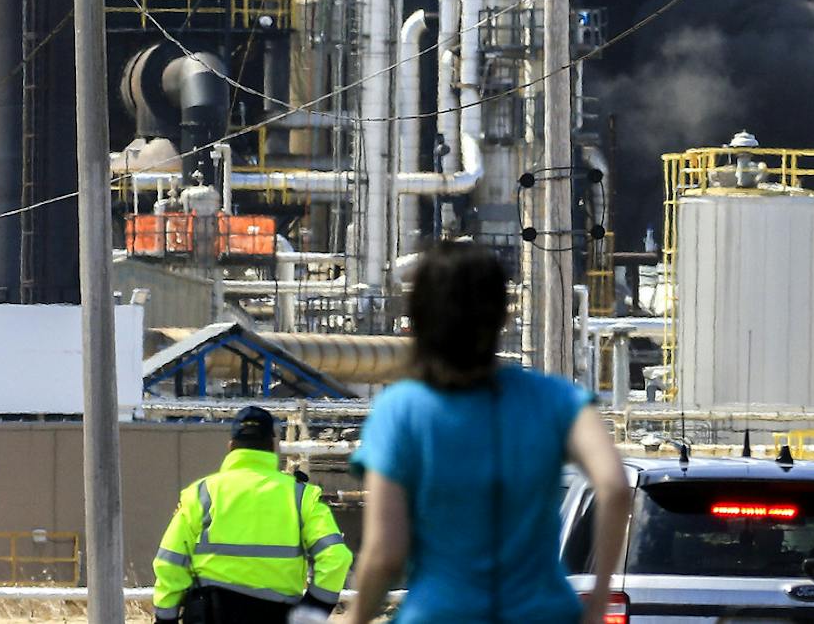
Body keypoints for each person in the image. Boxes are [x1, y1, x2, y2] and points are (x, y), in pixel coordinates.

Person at [337, 244, 632, 624]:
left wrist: (356, 618)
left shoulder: (400, 410)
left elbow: (386, 554)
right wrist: (597, 604)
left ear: (419, 318)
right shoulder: (556, 400)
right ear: (503, 317)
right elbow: (615, 486)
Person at [154, 405, 354, 623]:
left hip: (211, 615)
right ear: (272, 446)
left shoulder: (202, 494)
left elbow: (170, 561)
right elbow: (336, 558)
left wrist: (166, 619)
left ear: (231, 446)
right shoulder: (300, 497)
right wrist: (311, 612)